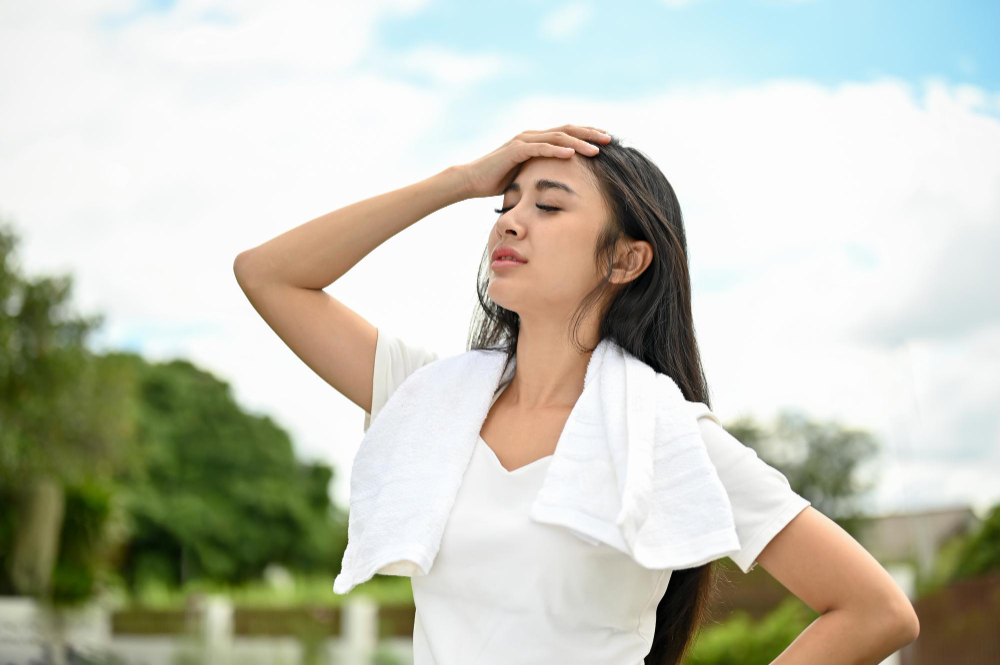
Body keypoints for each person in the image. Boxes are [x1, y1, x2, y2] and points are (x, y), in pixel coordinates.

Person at [234, 124, 920, 664]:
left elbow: (875, 610)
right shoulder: (428, 399)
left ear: (626, 259)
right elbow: (268, 274)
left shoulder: (664, 435)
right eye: (506, 204)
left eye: (549, 205)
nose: (509, 221)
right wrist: (461, 180)